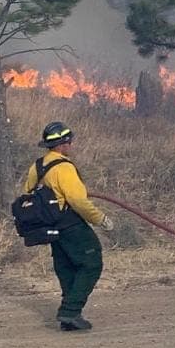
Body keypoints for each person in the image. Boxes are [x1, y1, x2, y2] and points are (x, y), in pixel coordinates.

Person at [25, 121, 113, 331]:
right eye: (69, 142)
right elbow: (78, 200)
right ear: (64, 144)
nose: (71, 145)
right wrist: (100, 219)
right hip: (71, 225)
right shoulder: (64, 167)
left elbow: (28, 193)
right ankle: (70, 311)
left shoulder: (37, 167)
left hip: (51, 228)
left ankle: (69, 316)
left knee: (66, 268)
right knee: (91, 263)